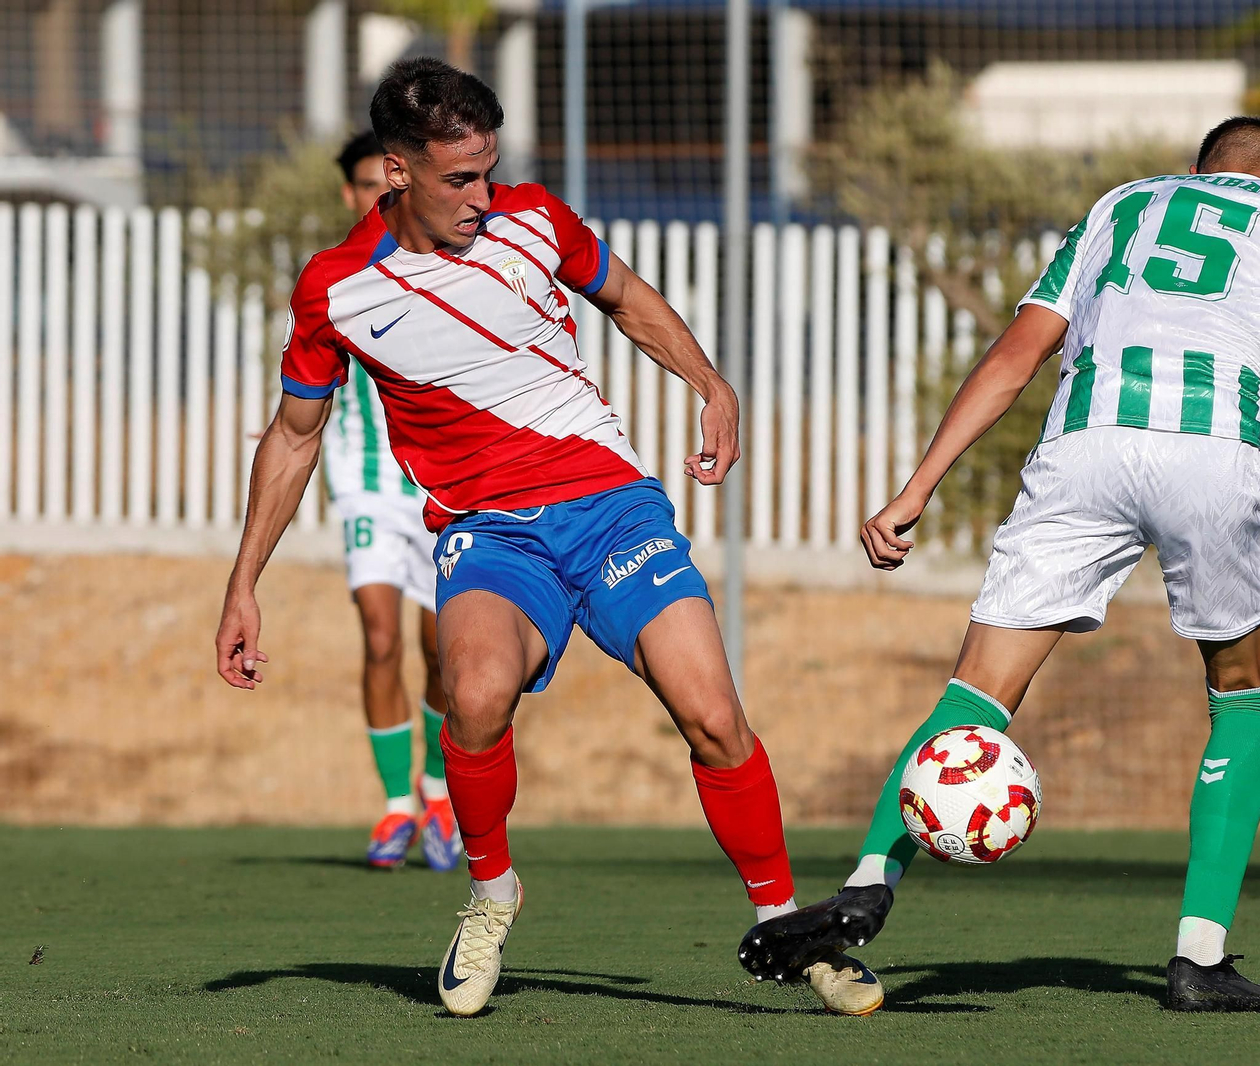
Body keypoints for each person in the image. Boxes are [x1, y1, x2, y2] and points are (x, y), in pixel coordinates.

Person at [215, 58, 876, 1018]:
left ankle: (789, 923)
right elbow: (293, 435)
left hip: (611, 506)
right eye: (458, 179)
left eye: (490, 169)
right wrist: (244, 583)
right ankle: (490, 895)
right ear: (395, 172)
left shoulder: (533, 219)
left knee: (714, 716)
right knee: (473, 695)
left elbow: (630, 300)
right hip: (489, 535)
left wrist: (712, 384)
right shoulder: (338, 290)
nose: (484, 196)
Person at [738, 117, 1260, 1013]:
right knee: (1244, 695)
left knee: (976, 694)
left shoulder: (1121, 206)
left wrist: (916, 489)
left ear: (1196, 173)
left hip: (1085, 447)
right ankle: (1200, 957)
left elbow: (1018, 353)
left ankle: (871, 876)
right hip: (1212, 449)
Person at [326, 130, 457, 871]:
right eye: (368, 184)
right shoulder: (336, 276)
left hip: (441, 485)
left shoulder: (447, 267)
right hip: (367, 482)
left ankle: (437, 790)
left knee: (442, 647)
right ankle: (395, 808)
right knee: (380, 637)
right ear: (351, 193)